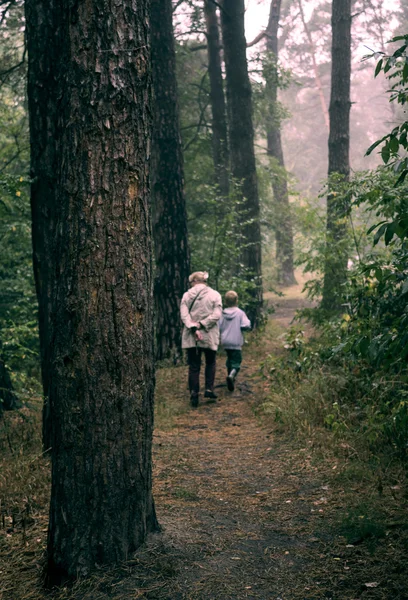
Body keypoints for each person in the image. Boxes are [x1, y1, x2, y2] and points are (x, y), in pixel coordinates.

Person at [180, 271, 222, 407]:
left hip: (192, 336)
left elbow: (184, 315)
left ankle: (194, 392)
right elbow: (217, 315)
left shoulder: (186, 295)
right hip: (209, 334)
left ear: (194, 282)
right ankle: (209, 388)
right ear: (204, 281)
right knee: (210, 362)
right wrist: (203, 324)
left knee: (194, 365)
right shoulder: (215, 295)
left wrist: (193, 326)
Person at [219, 290, 251, 392]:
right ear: (237, 301)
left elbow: (218, 326)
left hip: (225, 341)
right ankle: (232, 375)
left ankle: (230, 376)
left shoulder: (222, 314)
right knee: (237, 361)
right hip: (236, 341)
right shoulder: (240, 313)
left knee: (230, 358)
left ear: (225, 302)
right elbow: (245, 325)